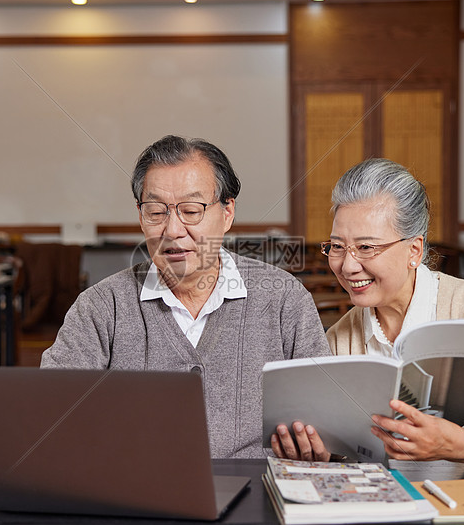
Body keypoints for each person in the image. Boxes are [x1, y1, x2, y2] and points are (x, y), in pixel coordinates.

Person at [42, 135, 331, 458]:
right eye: (156, 211)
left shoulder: (285, 300)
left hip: (260, 491)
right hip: (138, 494)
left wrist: (322, 446)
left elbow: (328, 422)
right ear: (141, 216)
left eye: (191, 210)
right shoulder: (100, 307)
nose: (173, 230)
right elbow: (52, 413)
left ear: (227, 212)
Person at [271, 158, 464, 468]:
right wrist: (320, 448)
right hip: (400, 498)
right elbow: (348, 448)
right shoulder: (339, 339)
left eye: (366, 247)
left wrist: (452, 443)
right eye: (338, 247)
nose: (347, 265)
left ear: (415, 250)